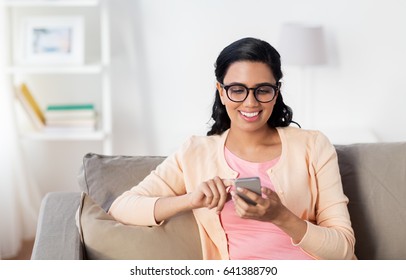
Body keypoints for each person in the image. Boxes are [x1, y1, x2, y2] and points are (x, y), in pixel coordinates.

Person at [108, 37, 356, 260]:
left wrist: (281, 216)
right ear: (221, 92)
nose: (251, 102)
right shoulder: (195, 153)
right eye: (237, 90)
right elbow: (122, 207)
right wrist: (191, 199)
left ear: (276, 91)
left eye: (263, 90)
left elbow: (343, 250)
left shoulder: (313, 145)